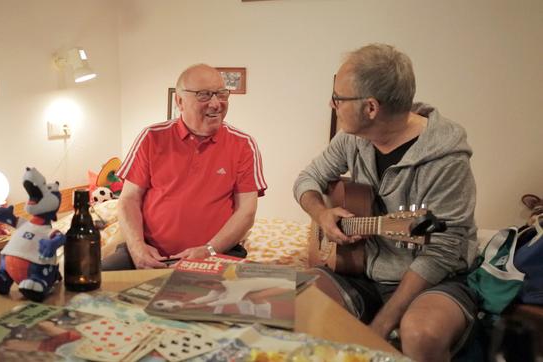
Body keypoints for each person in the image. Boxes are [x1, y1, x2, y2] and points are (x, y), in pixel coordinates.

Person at [293, 43, 478, 361]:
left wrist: (381, 324)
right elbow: (306, 180)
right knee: (293, 303)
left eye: (339, 98)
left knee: (422, 333)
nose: (331, 104)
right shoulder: (351, 138)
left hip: (435, 280)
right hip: (360, 271)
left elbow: (442, 251)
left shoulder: (445, 156)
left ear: (371, 108)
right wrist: (322, 214)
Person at [103, 64, 267, 270]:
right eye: (204, 95)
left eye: (222, 94)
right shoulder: (152, 137)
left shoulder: (243, 144)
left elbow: (247, 212)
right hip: (151, 252)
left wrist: (208, 250)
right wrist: (138, 249)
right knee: (94, 281)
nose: (216, 104)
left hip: (215, 253)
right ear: (180, 101)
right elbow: (128, 199)